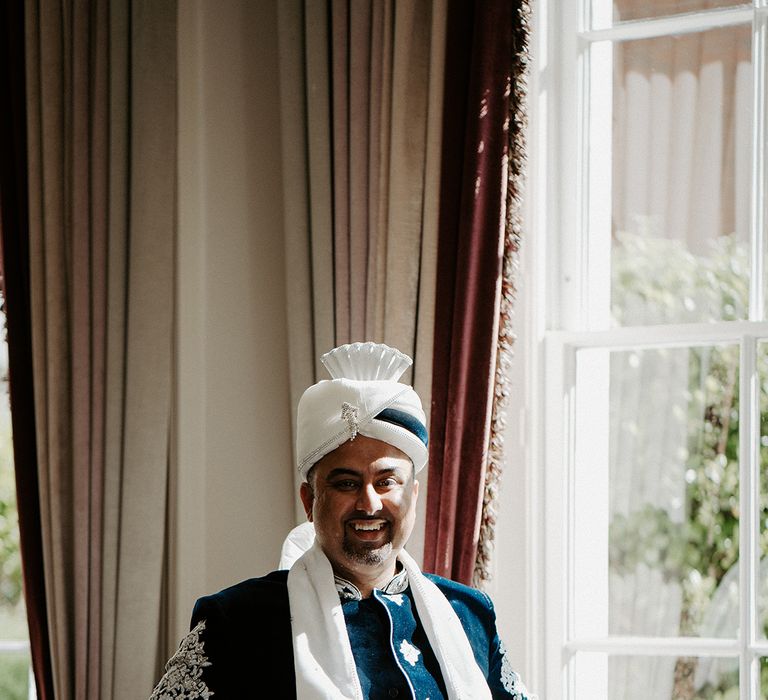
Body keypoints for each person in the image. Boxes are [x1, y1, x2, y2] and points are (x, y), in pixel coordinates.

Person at [149, 342, 532, 699]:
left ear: (413, 495)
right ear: (310, 501)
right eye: (347, 483)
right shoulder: (236, 622)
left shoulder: (470, 616)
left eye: (386, 482)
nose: (369, 503)